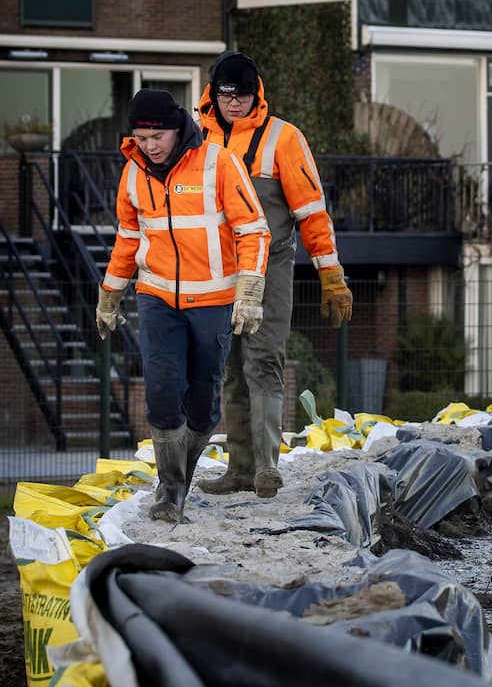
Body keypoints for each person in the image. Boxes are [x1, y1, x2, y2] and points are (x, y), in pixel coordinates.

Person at [96, 89, 269, 523]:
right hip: (157, 298)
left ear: (177, 130)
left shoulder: (219, 163)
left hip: (212, 299)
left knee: (203, 395)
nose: (149, 145)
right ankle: (170, 488)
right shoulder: (133, 173)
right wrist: (110, 293)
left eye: (157, 136)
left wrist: (248, 291)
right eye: (140, 137)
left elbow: (254, 230)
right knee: (161, 387)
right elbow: (128, 239)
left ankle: (183, 475)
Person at [193, 51, 352, 499]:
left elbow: (312, 213)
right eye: (227, 97)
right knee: (229, 369)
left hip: (270, 264)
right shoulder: (196, 136)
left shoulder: (284, 138)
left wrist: (331, 275)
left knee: (263, 360)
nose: (235, 105)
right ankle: (239, 469)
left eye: (243, 96)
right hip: (216, 268)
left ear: (256, 92)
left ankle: (266, 467)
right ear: (214, 95)